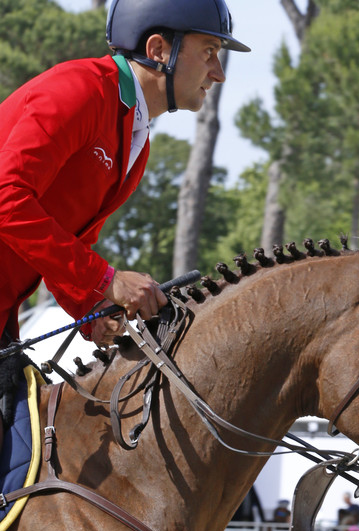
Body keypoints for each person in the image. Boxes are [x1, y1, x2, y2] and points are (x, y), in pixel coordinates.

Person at [0, 0, 250, 451]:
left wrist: (97, 316)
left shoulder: (136, 141)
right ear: (158, 49)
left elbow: (73, 242)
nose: (219, 73)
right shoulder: (78, 90)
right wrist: (106, 280)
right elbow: (5, 198)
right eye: (210, 51)